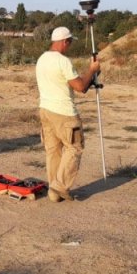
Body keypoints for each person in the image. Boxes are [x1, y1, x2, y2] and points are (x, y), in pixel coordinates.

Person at [36, 26, 101, 202]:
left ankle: (53, 190)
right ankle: (59, 186)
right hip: (64, 113)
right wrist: (92, 70)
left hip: (45, 110)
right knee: (74, 147)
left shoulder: (41, 59)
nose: (70, 46)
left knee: (53, 150)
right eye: (70, 43)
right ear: (65, 41)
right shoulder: (62, 61)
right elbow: (80, 87)